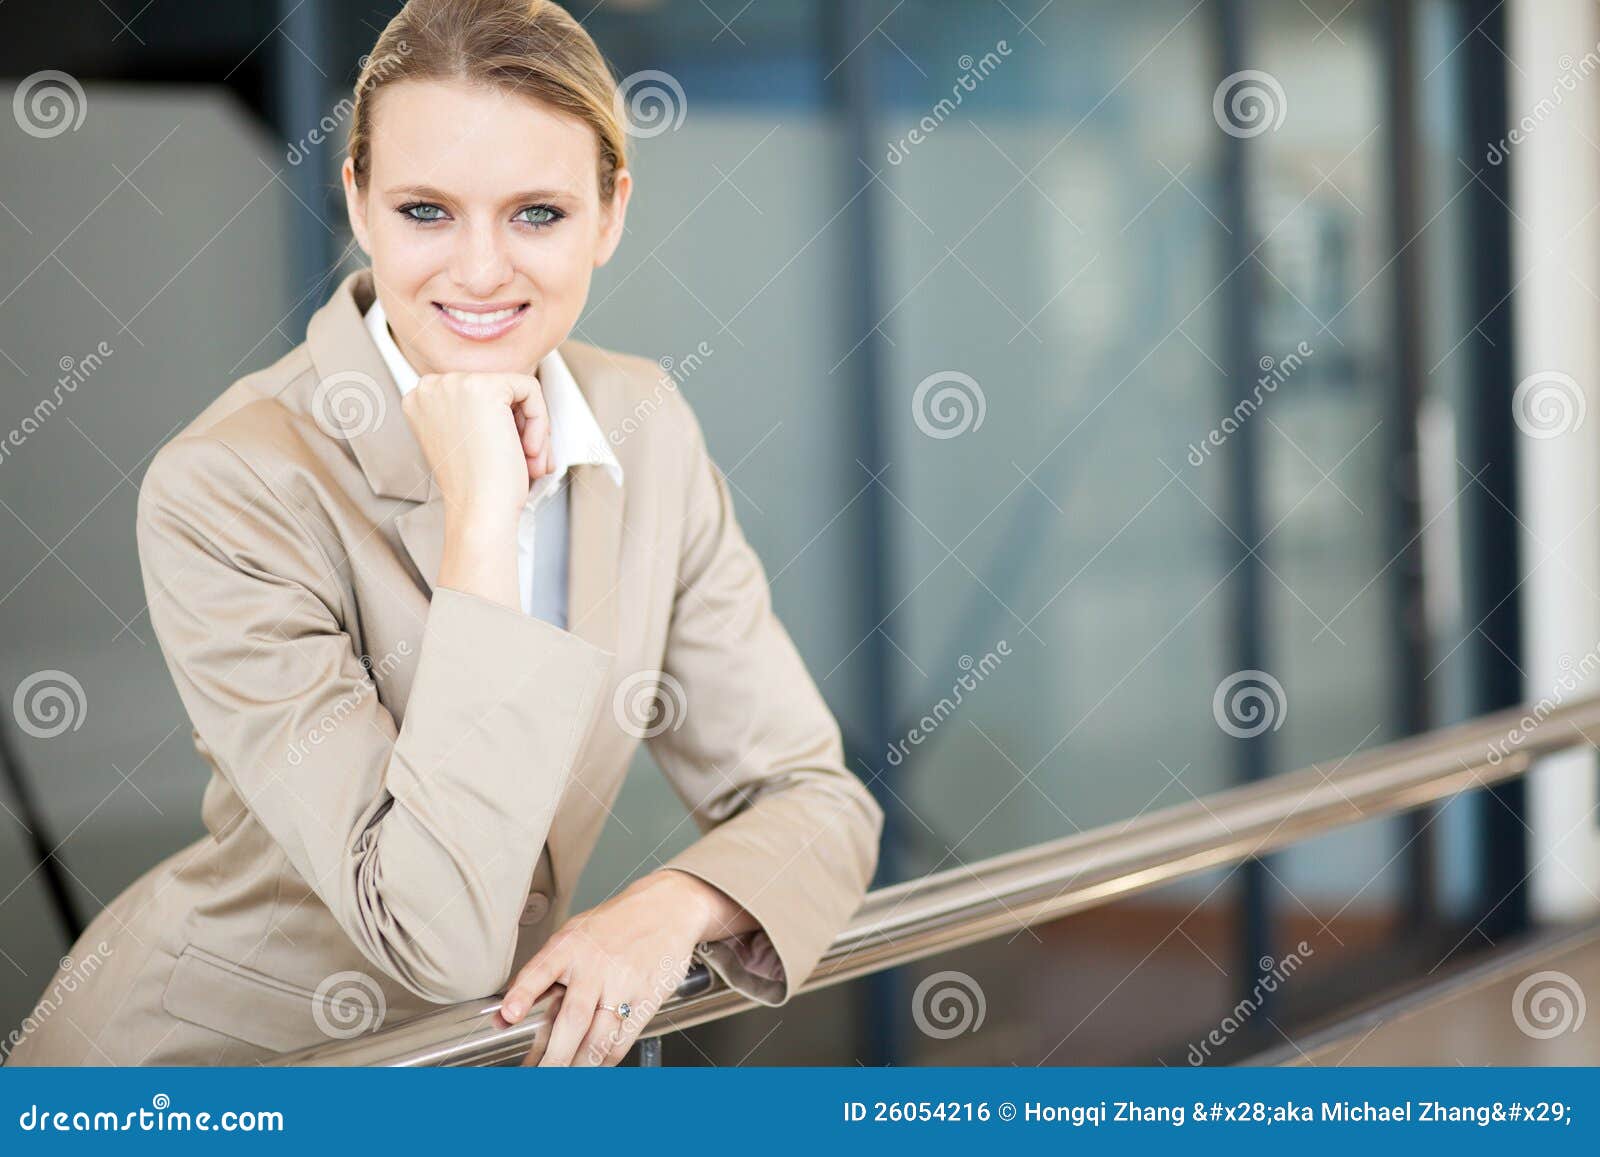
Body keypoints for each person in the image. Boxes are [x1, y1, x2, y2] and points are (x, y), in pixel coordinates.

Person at [4, 0, 881, 1068]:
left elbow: (814, 798)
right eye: (426, 209)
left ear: (610, 214)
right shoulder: (231, 482)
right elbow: (441, 933)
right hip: (216, 1067)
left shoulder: (643, 427)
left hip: (469, 1069)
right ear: (359, 204)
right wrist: (482, 513)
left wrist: (671, 905)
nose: (477, 271)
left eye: (537, 214)